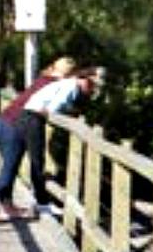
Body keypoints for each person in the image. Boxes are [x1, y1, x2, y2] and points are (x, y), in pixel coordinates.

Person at [0, 56, 76, 218]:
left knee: (11, 165)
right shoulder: (53, 83)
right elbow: (50, 107)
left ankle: (9, 205)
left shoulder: (44, 78)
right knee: (11, 165)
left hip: (7, 120)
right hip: (14, 123)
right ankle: (7, 207)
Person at [18, 66, 102, 217]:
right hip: (33, 117)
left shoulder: (69, 85)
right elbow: (52, 109)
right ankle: (42, 203)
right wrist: (70, 116)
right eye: (91, 85)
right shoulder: (70, 87)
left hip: (30, 116)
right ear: (83, 80)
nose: (91, 89)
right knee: (37, 161)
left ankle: (38, 199)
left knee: (37, 160)